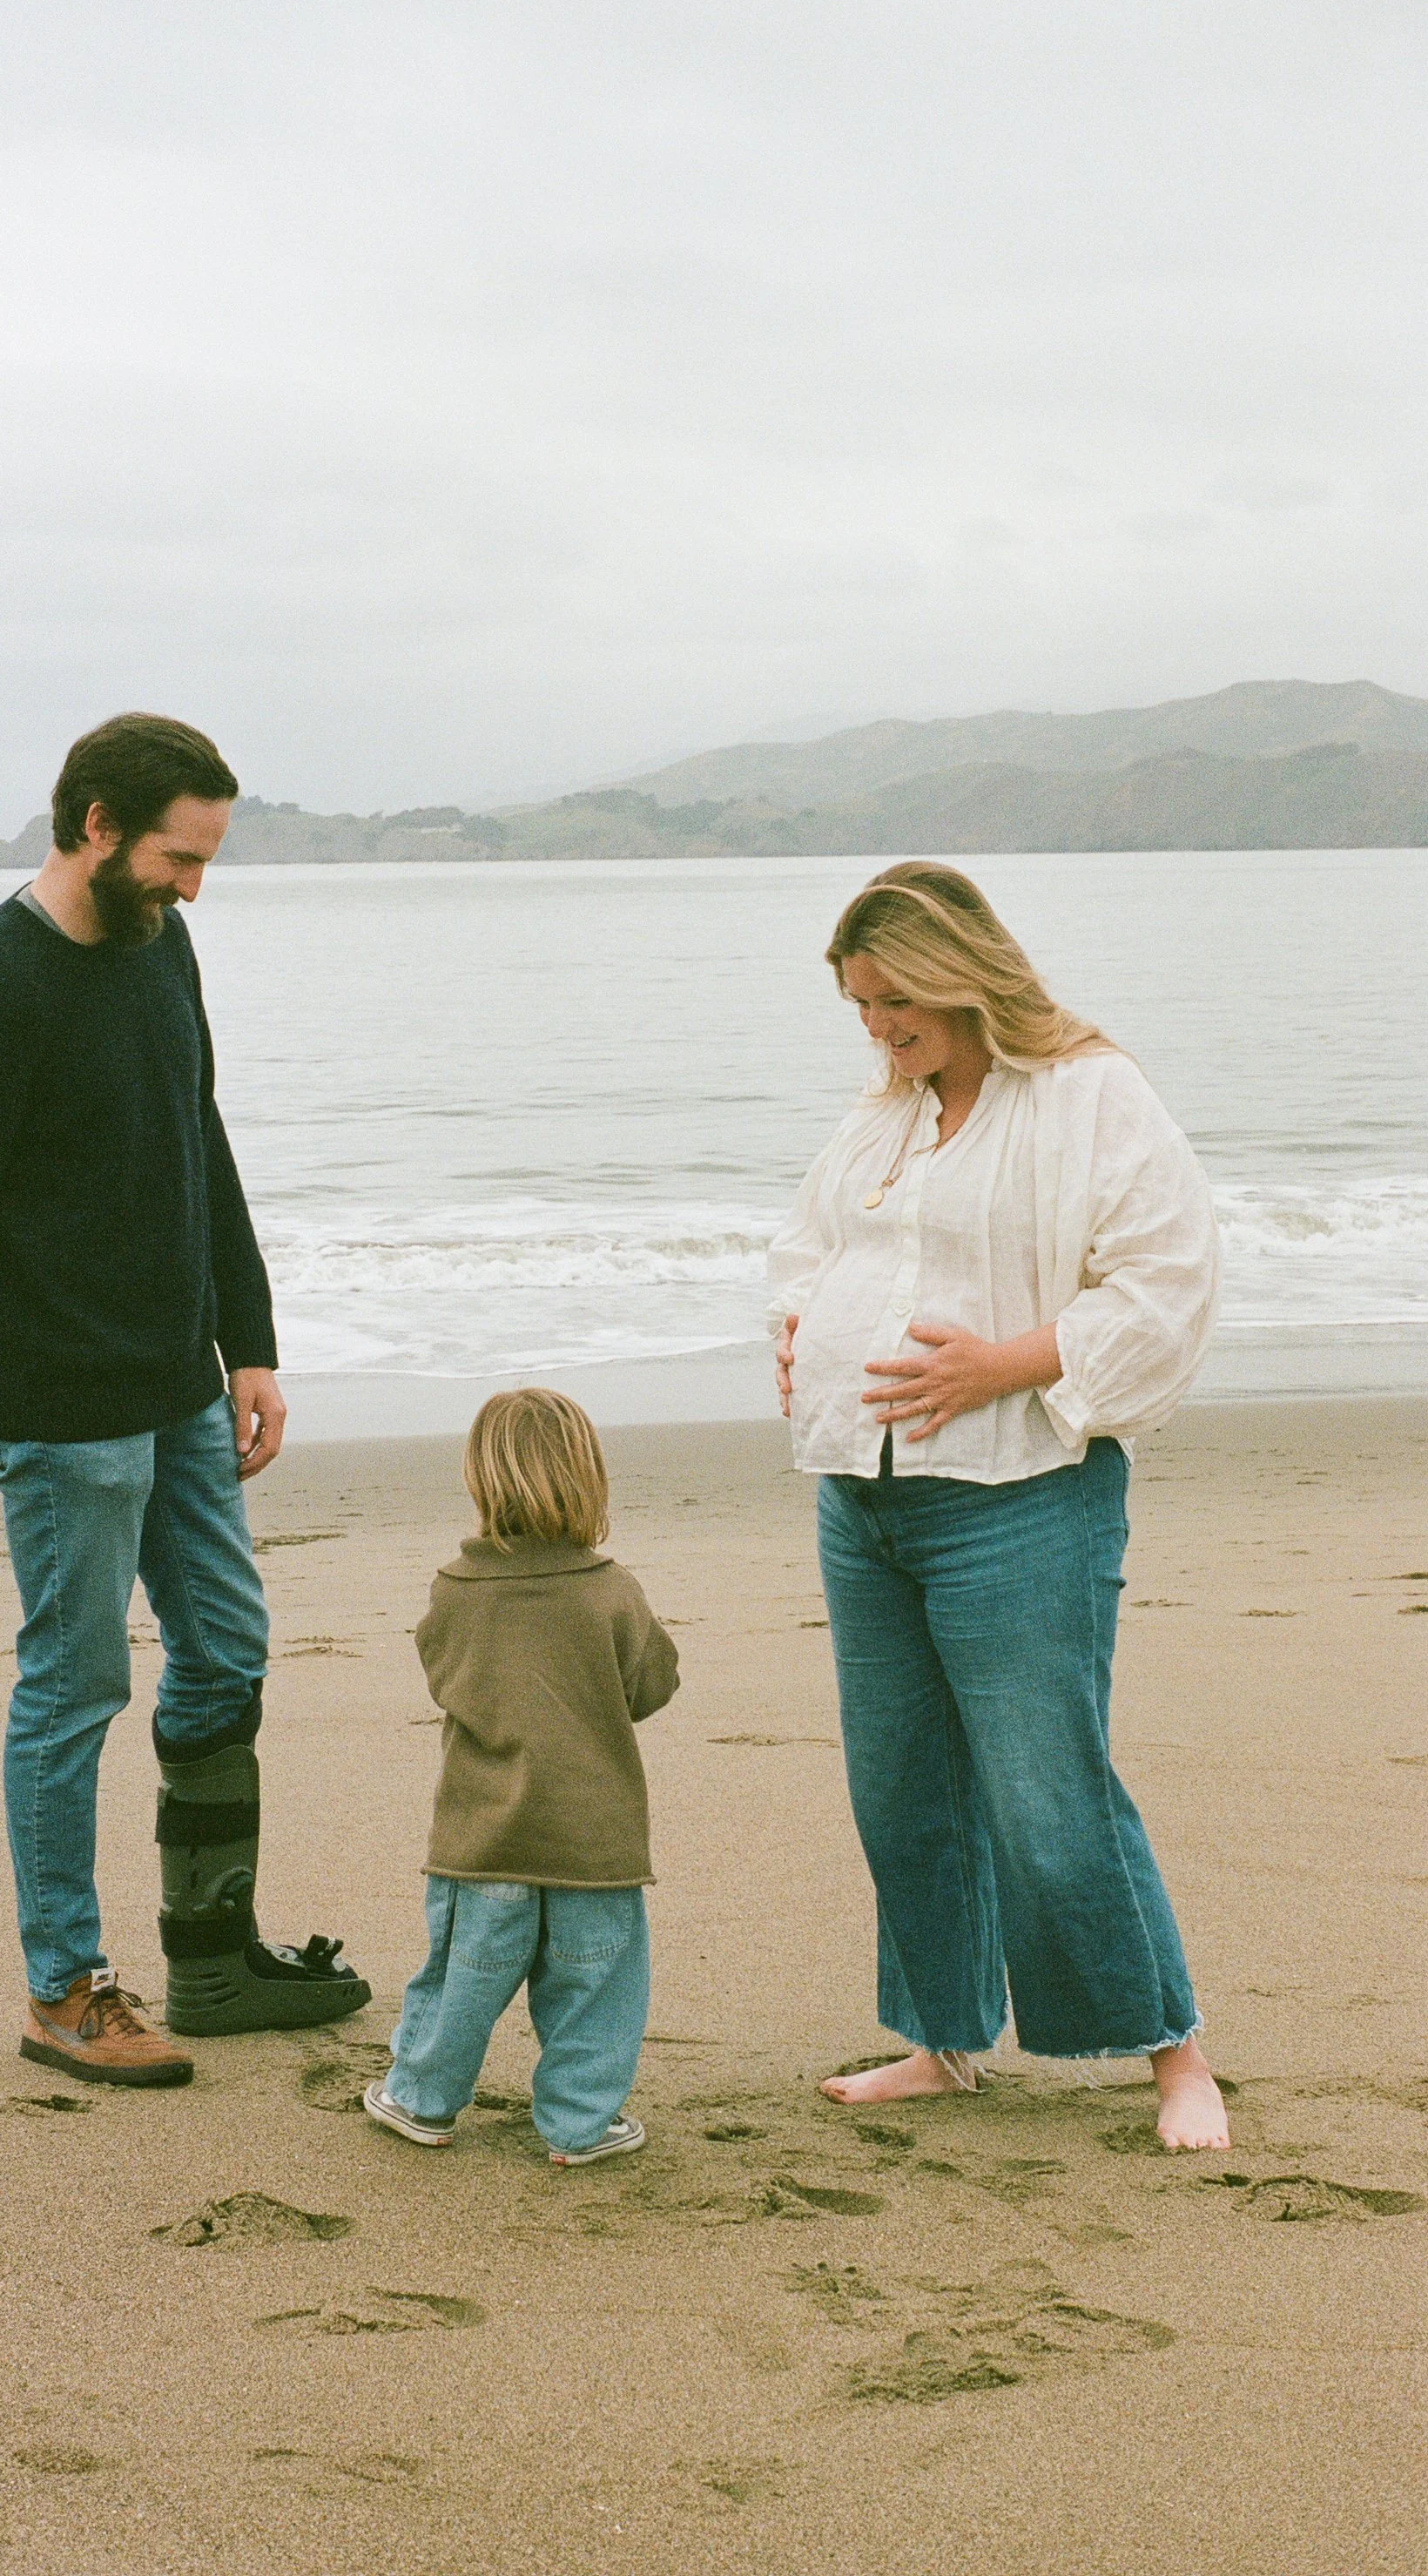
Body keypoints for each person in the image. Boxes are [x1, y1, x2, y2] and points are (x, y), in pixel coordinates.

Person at [0, 711, 368, 2087]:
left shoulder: (162, 946)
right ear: (94, 822)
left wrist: (248, 1341)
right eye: (175, 856)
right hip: (56, 1399)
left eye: (207, 858)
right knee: (76, 1685)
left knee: (224, 1652)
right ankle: (64, 1989)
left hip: (181, 1383)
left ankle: (211, 1958)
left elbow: (197, 1129)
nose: (195, 886)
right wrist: (68, 1246)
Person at [769, 861, 1229, 2153]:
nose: (875, 1029)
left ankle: (1175, 2054)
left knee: (1048, 1789)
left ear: (957, 975)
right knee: (901, 1788)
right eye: (859, 1007)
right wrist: (796, 1330)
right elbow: (809, 1246)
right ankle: (941, 2039)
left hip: (1021, 1494)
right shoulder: (889, 1114)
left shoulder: (1090, 1094)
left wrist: (999, 1363)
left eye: (890, 1004)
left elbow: (1166, 1281)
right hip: (863, 1493)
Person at [363, 1390, 680, 2165]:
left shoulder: (455, 1591)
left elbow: (443, 1676)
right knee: (594, 1992)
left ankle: (421, 2098)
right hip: (593, 1845)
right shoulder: (612, 1589)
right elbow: (653, 1685)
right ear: (588, 1478)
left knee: (458, 1984)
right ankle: (577, 2124)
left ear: (482, 1480)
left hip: (485, 1838)